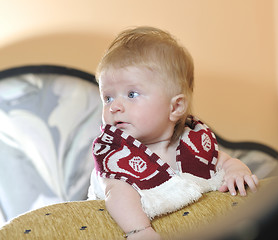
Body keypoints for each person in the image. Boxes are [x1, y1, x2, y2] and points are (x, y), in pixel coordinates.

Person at [88, 26, 259, 239]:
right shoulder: (116, 157)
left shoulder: (192, 143)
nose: (114, 107)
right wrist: (140, 231)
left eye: (131, 94)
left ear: (175, 107)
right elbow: (118, 194)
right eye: (108, 98)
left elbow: (223, 161)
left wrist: (237, 171)